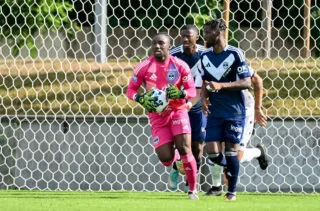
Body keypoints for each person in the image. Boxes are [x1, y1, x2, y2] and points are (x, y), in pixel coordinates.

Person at [126, 32, 199, 200]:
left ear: (169, 46)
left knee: (185, 148)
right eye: (154, 44)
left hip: (177, 111)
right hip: (157, 116)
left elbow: (192, 90)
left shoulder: (180, 65)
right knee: (165, 158)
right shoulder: (144, 66)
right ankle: (175, 164)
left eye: (161, 43)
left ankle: (193, 190)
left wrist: (180, 93)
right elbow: (130, 90)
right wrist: (141, 98)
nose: (157, 46)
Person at [199, 19, 252, 201]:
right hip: (215, 111)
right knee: (212, 151)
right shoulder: (205, 56)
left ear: (217, 33)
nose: (204, 36)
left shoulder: (235, 53)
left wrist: (221, 85)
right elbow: (205, 81)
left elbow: (247, 82)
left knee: (231, 151)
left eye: (206, 32)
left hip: (234, 111)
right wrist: (203, 98)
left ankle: (232, 192)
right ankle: (230, 166)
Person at [205, 67, 269, 197]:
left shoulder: (234, 59)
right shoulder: (207, 60)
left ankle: (258, 152)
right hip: (219, 109)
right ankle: (216, 186)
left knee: (234, 157)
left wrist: (257, 109)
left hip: (242, 111)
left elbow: (257, 80)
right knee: (214, 148)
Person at [167, 25, 207, 192]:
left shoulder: (205, 54)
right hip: (178, 105)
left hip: (197, 105)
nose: (184, 40)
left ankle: (191, 182)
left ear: (196, 38)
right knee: (181, 145)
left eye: (188, 36)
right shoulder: (174, 54)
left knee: (198, 146)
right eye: (182, 36)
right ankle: (178, 169)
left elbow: (206, 80)